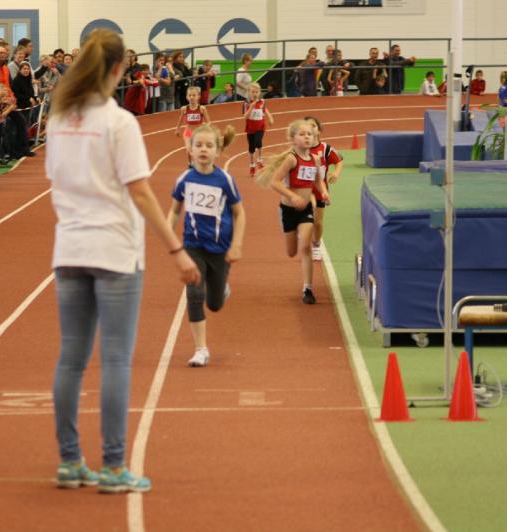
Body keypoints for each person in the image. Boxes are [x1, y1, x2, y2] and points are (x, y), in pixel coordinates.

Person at [46, 28, 199, 494]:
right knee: (115, 359)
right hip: (114, 249)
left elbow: (55, 179)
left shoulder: (59, 118)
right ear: (118, 69)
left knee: (71, 358)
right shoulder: (119, 122)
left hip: (69, 248)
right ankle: (114, 467)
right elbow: (140, 191)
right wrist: (176, 249)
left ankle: (70, 461)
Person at [167, 124, 245, 367]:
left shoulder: (225, 180)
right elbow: (175, 211)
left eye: (209, 146)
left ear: (217, 151)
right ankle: (201, 349)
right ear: (190, 150)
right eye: (198, 145)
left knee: (214, 304)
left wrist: (237, 244)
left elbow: (239, 213)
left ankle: (221, 288)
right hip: (193, 245)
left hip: (220, 248)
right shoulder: (184, 179)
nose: (203, 149)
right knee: (194, 294)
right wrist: (169, 236)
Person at [255, 120, 324, 304]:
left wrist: (324, 192)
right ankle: (294, 236)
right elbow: (275, 182)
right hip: (288, 210)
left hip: (306, 209)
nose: (307, 137)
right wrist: (292, 196)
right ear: (293, 139)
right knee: (292, 252)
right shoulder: (291, 159)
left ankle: (307, 289)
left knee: (306, 246)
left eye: (309, 134)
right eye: (302, 134)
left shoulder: (316, 160)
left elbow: (317, 180)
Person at [304, 116, 342, 262]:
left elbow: (339, 161)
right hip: (303, 189)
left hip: (320, 190)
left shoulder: (325, 149)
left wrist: (336, 173)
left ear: (319, 131)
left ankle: (316, 244)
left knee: (318, 222)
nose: (309, 128)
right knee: (306, 218)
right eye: (306, 126)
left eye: (313, 125)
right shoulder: (300, 148)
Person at [244, 82, 274, 177]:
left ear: (259, 92)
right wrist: (251, 107)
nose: (255, 94)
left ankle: (260, 159)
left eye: (257, 92)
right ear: (249, 92)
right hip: (250, 128)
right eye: (253, 92)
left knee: (258, 141)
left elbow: (265, 110)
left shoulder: (262, 102)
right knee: (251, 147)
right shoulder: (246, 103)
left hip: (260, 126)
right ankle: (252, 165)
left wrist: (270, 117)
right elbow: (245, 117)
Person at [175, 86, 210, 163]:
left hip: (199, 132)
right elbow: (180, 119)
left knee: (199, 150)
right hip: (189, 132)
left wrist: (208, 130)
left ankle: (198, 162)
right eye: (190, 95)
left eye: (194, 95)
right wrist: (177, 129)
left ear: (198, 96)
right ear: (187, 97)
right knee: (188, 149)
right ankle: (190, 164)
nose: (192, 97)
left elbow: (208, 122)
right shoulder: (184, 109)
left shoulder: (202, 109)